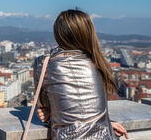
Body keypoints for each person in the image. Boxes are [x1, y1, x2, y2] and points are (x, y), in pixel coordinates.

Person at [33, 9, 129, 139]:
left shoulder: (43, 64)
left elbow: (46, 107)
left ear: (58, 34)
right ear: (88, 33)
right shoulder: (98, 63)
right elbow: (93, 108)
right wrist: (106, 123)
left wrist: (48, 116)